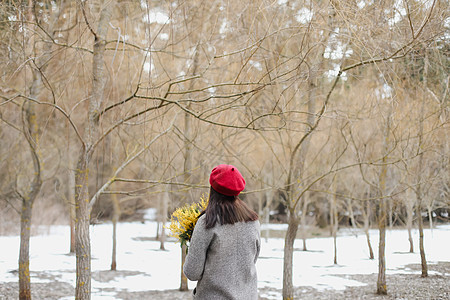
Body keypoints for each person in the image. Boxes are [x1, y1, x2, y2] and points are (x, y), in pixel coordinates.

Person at [183, 164, 261, 300]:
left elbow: (192, 272)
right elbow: (251, 260)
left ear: (213, 188)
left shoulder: (207, 222)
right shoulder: (253, 221)